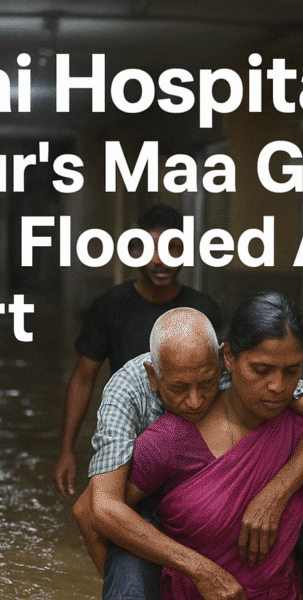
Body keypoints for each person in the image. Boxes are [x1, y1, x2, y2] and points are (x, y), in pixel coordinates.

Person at [86, 306, 303, 600]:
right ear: (155, 378)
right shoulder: (146, 414)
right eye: (179, 388)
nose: (195, 401)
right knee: (129, 551)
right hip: (179, 581)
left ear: (222, 361)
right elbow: (95, 510)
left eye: (205, 384)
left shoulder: (277, 404)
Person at [54, 204, 223, 499]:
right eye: (151, 248)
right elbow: (83, 378)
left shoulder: (203, 309)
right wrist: (67, 450)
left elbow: (223, 381)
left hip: (193, 441)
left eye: (173, 248)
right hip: (133, 443)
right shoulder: (110, 306)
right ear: (134, 253)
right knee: (107, 511)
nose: (161, 260)